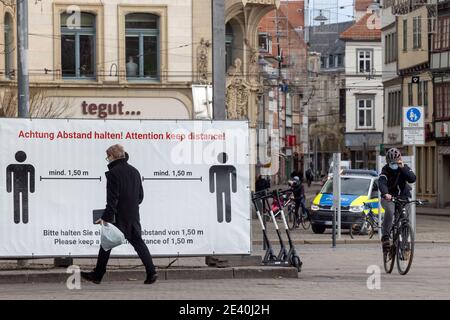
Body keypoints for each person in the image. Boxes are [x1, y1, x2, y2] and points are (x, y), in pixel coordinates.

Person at [81, 144, 158, 285]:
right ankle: (151, 272)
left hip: (118, 215)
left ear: (113, 156)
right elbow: (140, 196)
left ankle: (97, 275)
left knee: (106, 244)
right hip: (133, 214)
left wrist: (105, 219)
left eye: (107, 157)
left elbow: (112, 200)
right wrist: (131, 206)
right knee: (138, 242)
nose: (107, 160)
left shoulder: (113, 173)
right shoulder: (135, 171)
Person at [379, 148, 416, 252]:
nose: (393, 164)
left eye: (395, 162)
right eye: (391, 162)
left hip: (403, 198)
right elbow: (382, 182)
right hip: (389, 198)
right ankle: (385, 237)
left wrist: (403, 168)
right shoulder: (385, 170)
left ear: (399, 160)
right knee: (390, 211)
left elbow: (412, 178)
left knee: (405, 220)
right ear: (387, 162)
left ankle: (404, 245)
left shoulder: (404, 168)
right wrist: (386, 193)